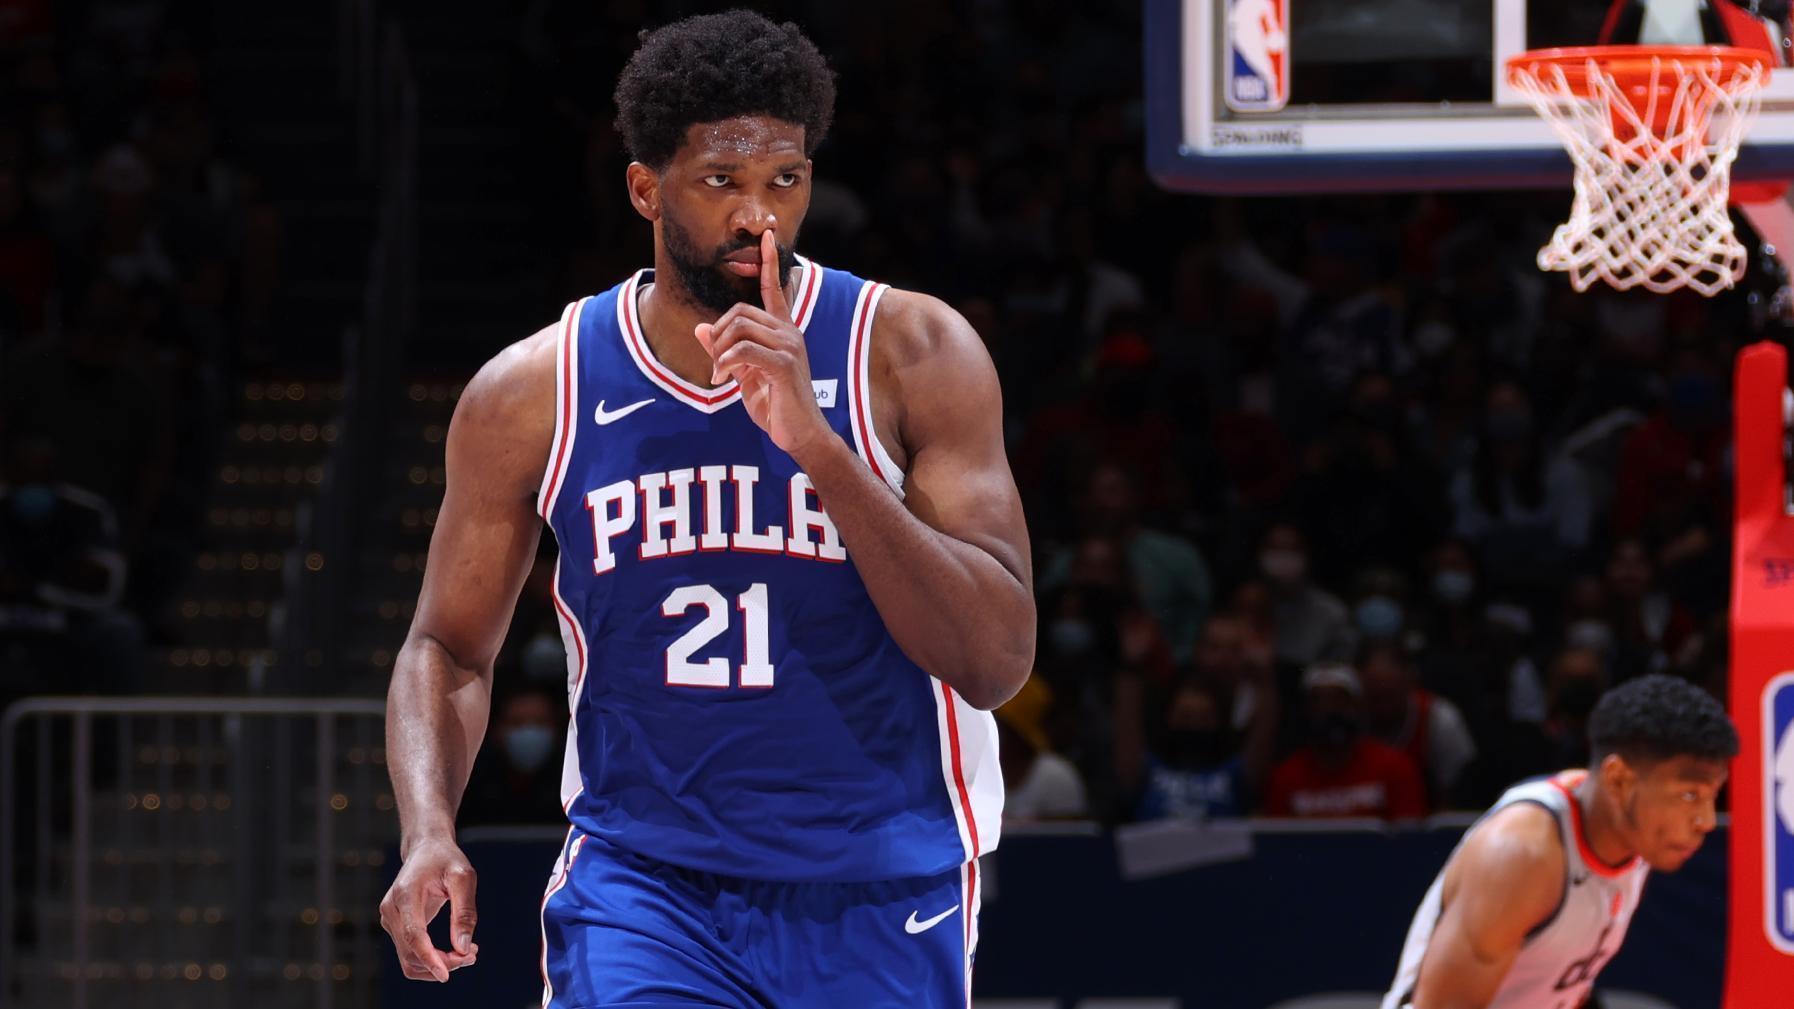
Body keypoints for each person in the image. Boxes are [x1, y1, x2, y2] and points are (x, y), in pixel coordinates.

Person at [377, 13, 1035, 1008]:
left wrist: (822, 448)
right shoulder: (535, 391)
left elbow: (995, 660)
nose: (758, 216)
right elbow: (447, 648)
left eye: (786, 179)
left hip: (881, 877)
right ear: (647, 189)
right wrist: (429, 826)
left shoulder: (909, 352)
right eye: (722, 181)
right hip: (645, 885)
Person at [1380, 674, 1737, 1009]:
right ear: (1618, 780)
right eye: (1689, 795)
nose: (1706, 821)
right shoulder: (1522, 856)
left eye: (1712, 795)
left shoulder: (1633, 832)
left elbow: (1555, 980)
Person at [1263, 663, 1427, 819]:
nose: (1330, 710)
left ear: (1357, 706)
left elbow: (1410, 833)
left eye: (1339, 700)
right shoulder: (1286, 777)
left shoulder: (1395, 767)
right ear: (1306, 710)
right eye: (1319, 701)